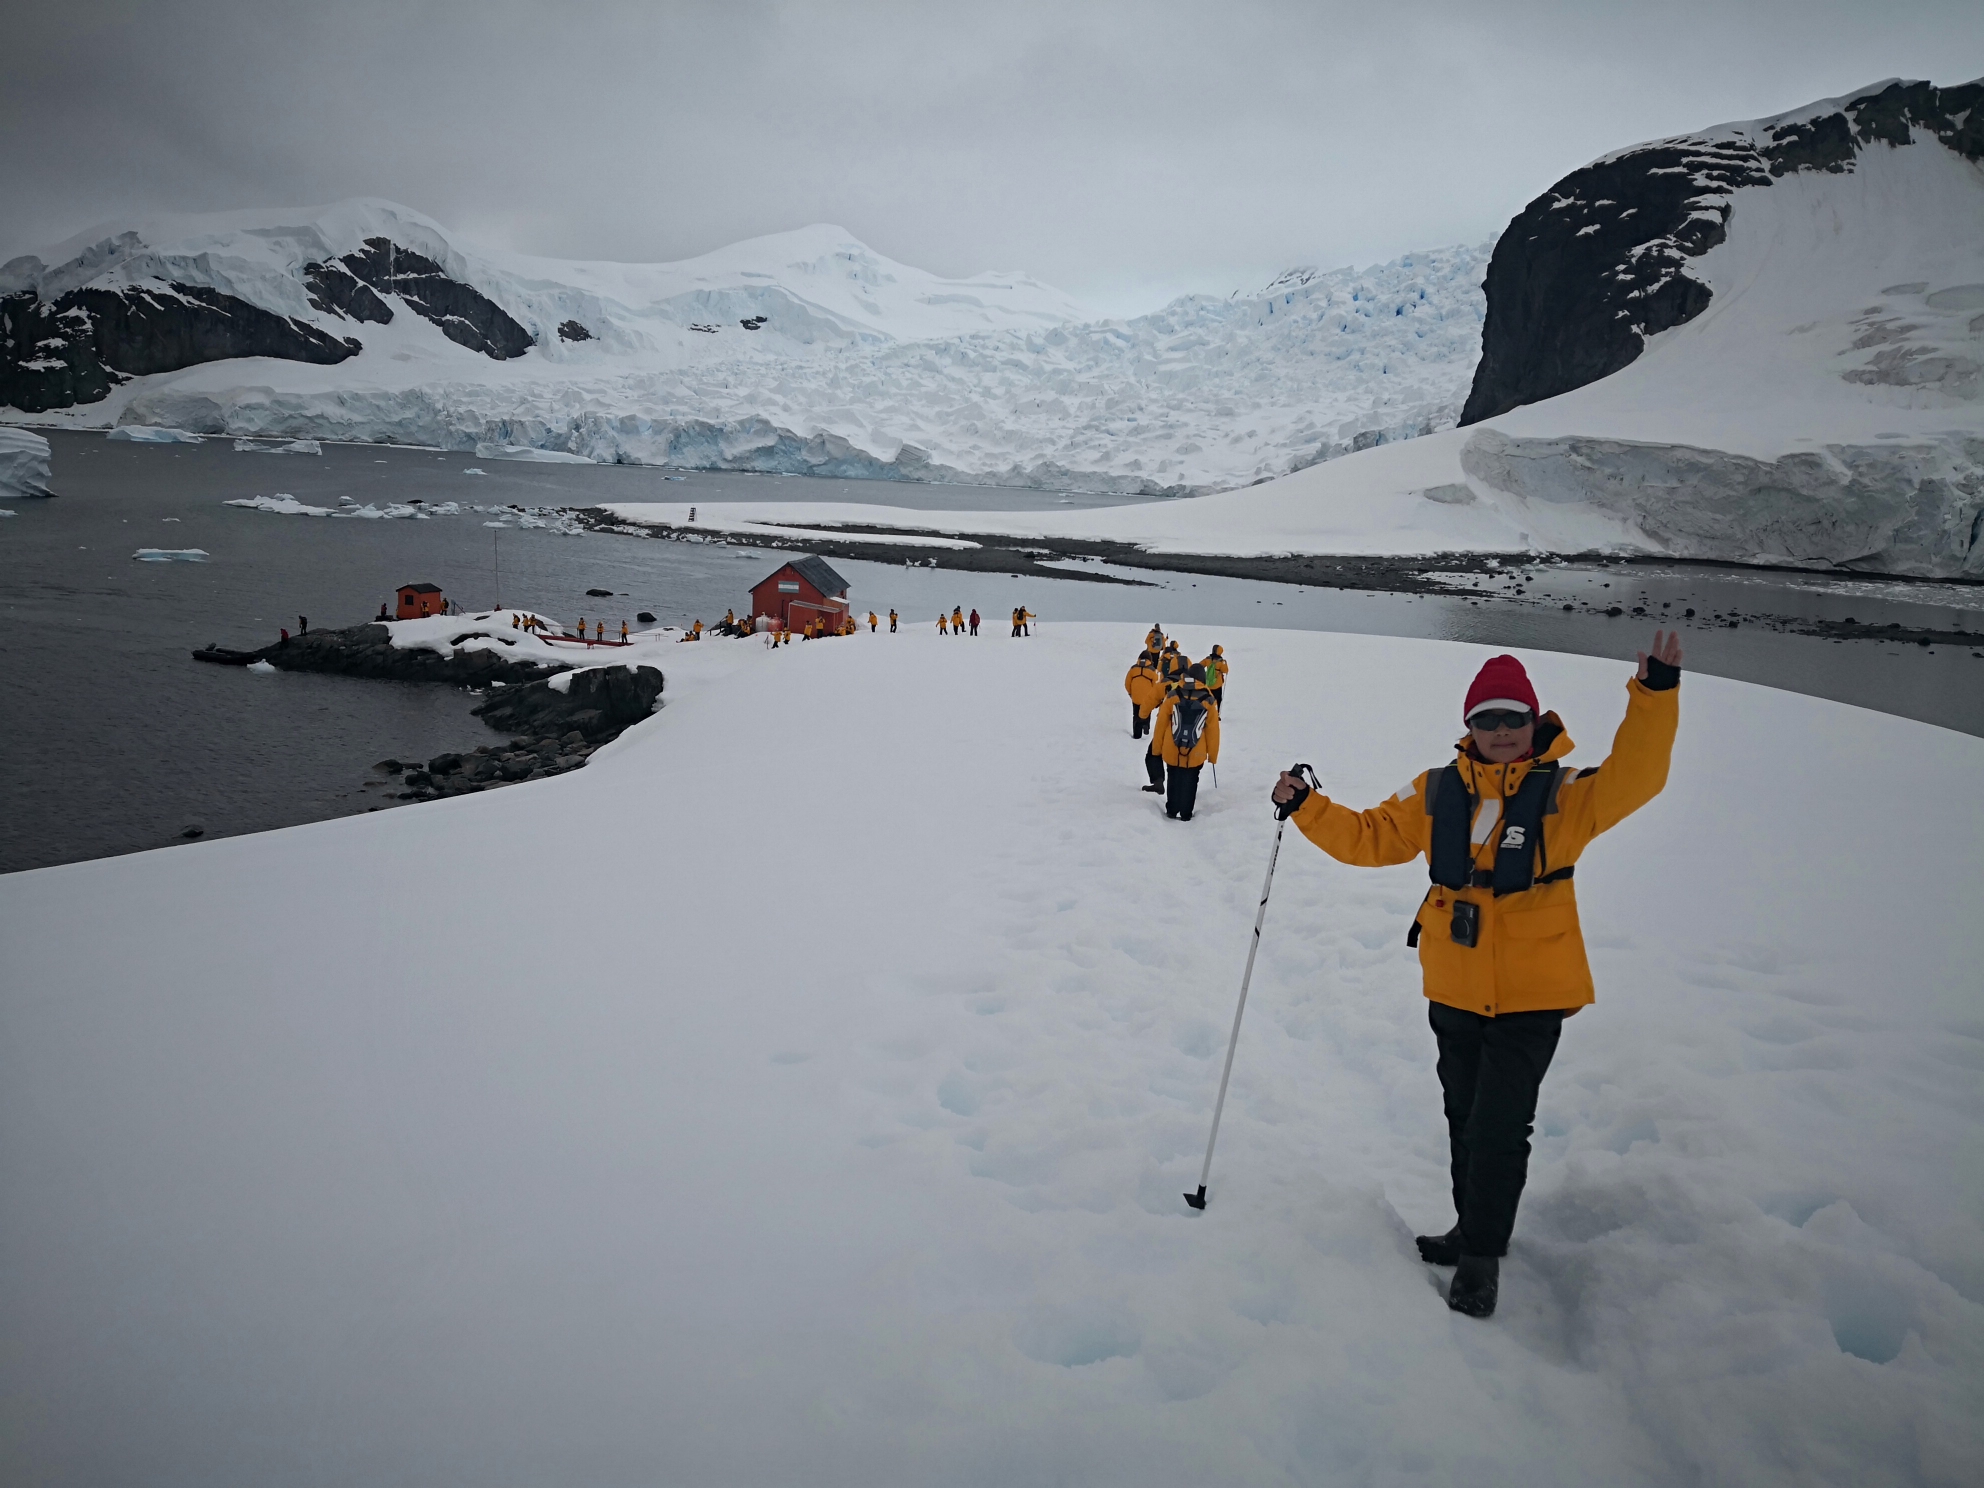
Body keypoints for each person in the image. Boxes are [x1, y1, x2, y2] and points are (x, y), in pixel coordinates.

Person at [1269, 635, 1683, 1319]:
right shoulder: (1436, 791)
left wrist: (1655, 696)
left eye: (1512, 718)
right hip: (1455, 985)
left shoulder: (1568, 793)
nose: (1499, 731)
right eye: (1486, 719)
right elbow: (1372, 837)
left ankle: (1483, 1257)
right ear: (1468, 726)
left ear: (1533, 722)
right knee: (1463, 1115)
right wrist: (1307, 806)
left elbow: (1639, 776)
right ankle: (1470, 1227)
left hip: (1534, 993)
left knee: (1498, 1124)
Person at [1151, 667, 1219, 819]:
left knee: (1173, 775)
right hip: (1196, 751)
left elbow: (1161, 724)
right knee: (1191, 779)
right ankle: (1186, 812)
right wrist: (1212, 755)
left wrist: (1157, 749)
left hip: (1172, 747)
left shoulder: (1173, 694)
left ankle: (1172, 809)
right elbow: (1213, 731)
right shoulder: (1209, 699)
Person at [1124, 649, 1164, 739]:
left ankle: (1137, 734)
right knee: (1146, 712)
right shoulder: (1153, 671)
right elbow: (1156, 685)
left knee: (1136, 714)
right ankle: (1146, 725)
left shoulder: (1133, 669)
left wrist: (1131, 693)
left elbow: (1127, 683)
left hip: (1135, 697)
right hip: (1147, 698)